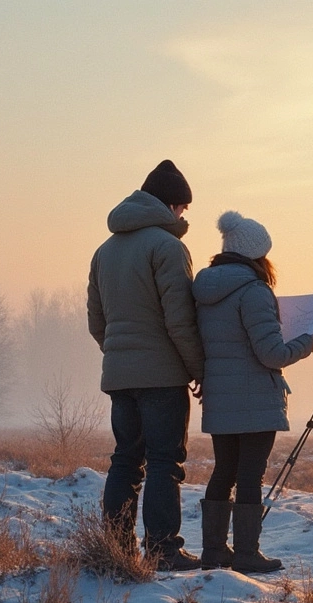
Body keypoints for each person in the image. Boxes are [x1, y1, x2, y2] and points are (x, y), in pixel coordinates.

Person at [87, 159, 206, 571]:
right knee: (163, 462)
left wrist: (119, 356)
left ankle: (116, 549)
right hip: (162, 377)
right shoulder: (168, 248)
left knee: (125, 460)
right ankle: (163, 550)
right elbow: (180, 320)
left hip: (119, 378)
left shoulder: (105, 251)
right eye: (182, 209)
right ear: (171, 205)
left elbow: (96, 321)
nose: (184, 216)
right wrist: (198, 370)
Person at [192, 211, 313, 573]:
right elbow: (271, 354)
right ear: (257, 255)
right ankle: (247, 554)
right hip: (255, 400)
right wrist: (307, 341)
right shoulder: (253, 291)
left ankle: (214, 551)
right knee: (250, 475)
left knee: (224, 471)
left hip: (220, 397)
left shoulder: (203, 291)